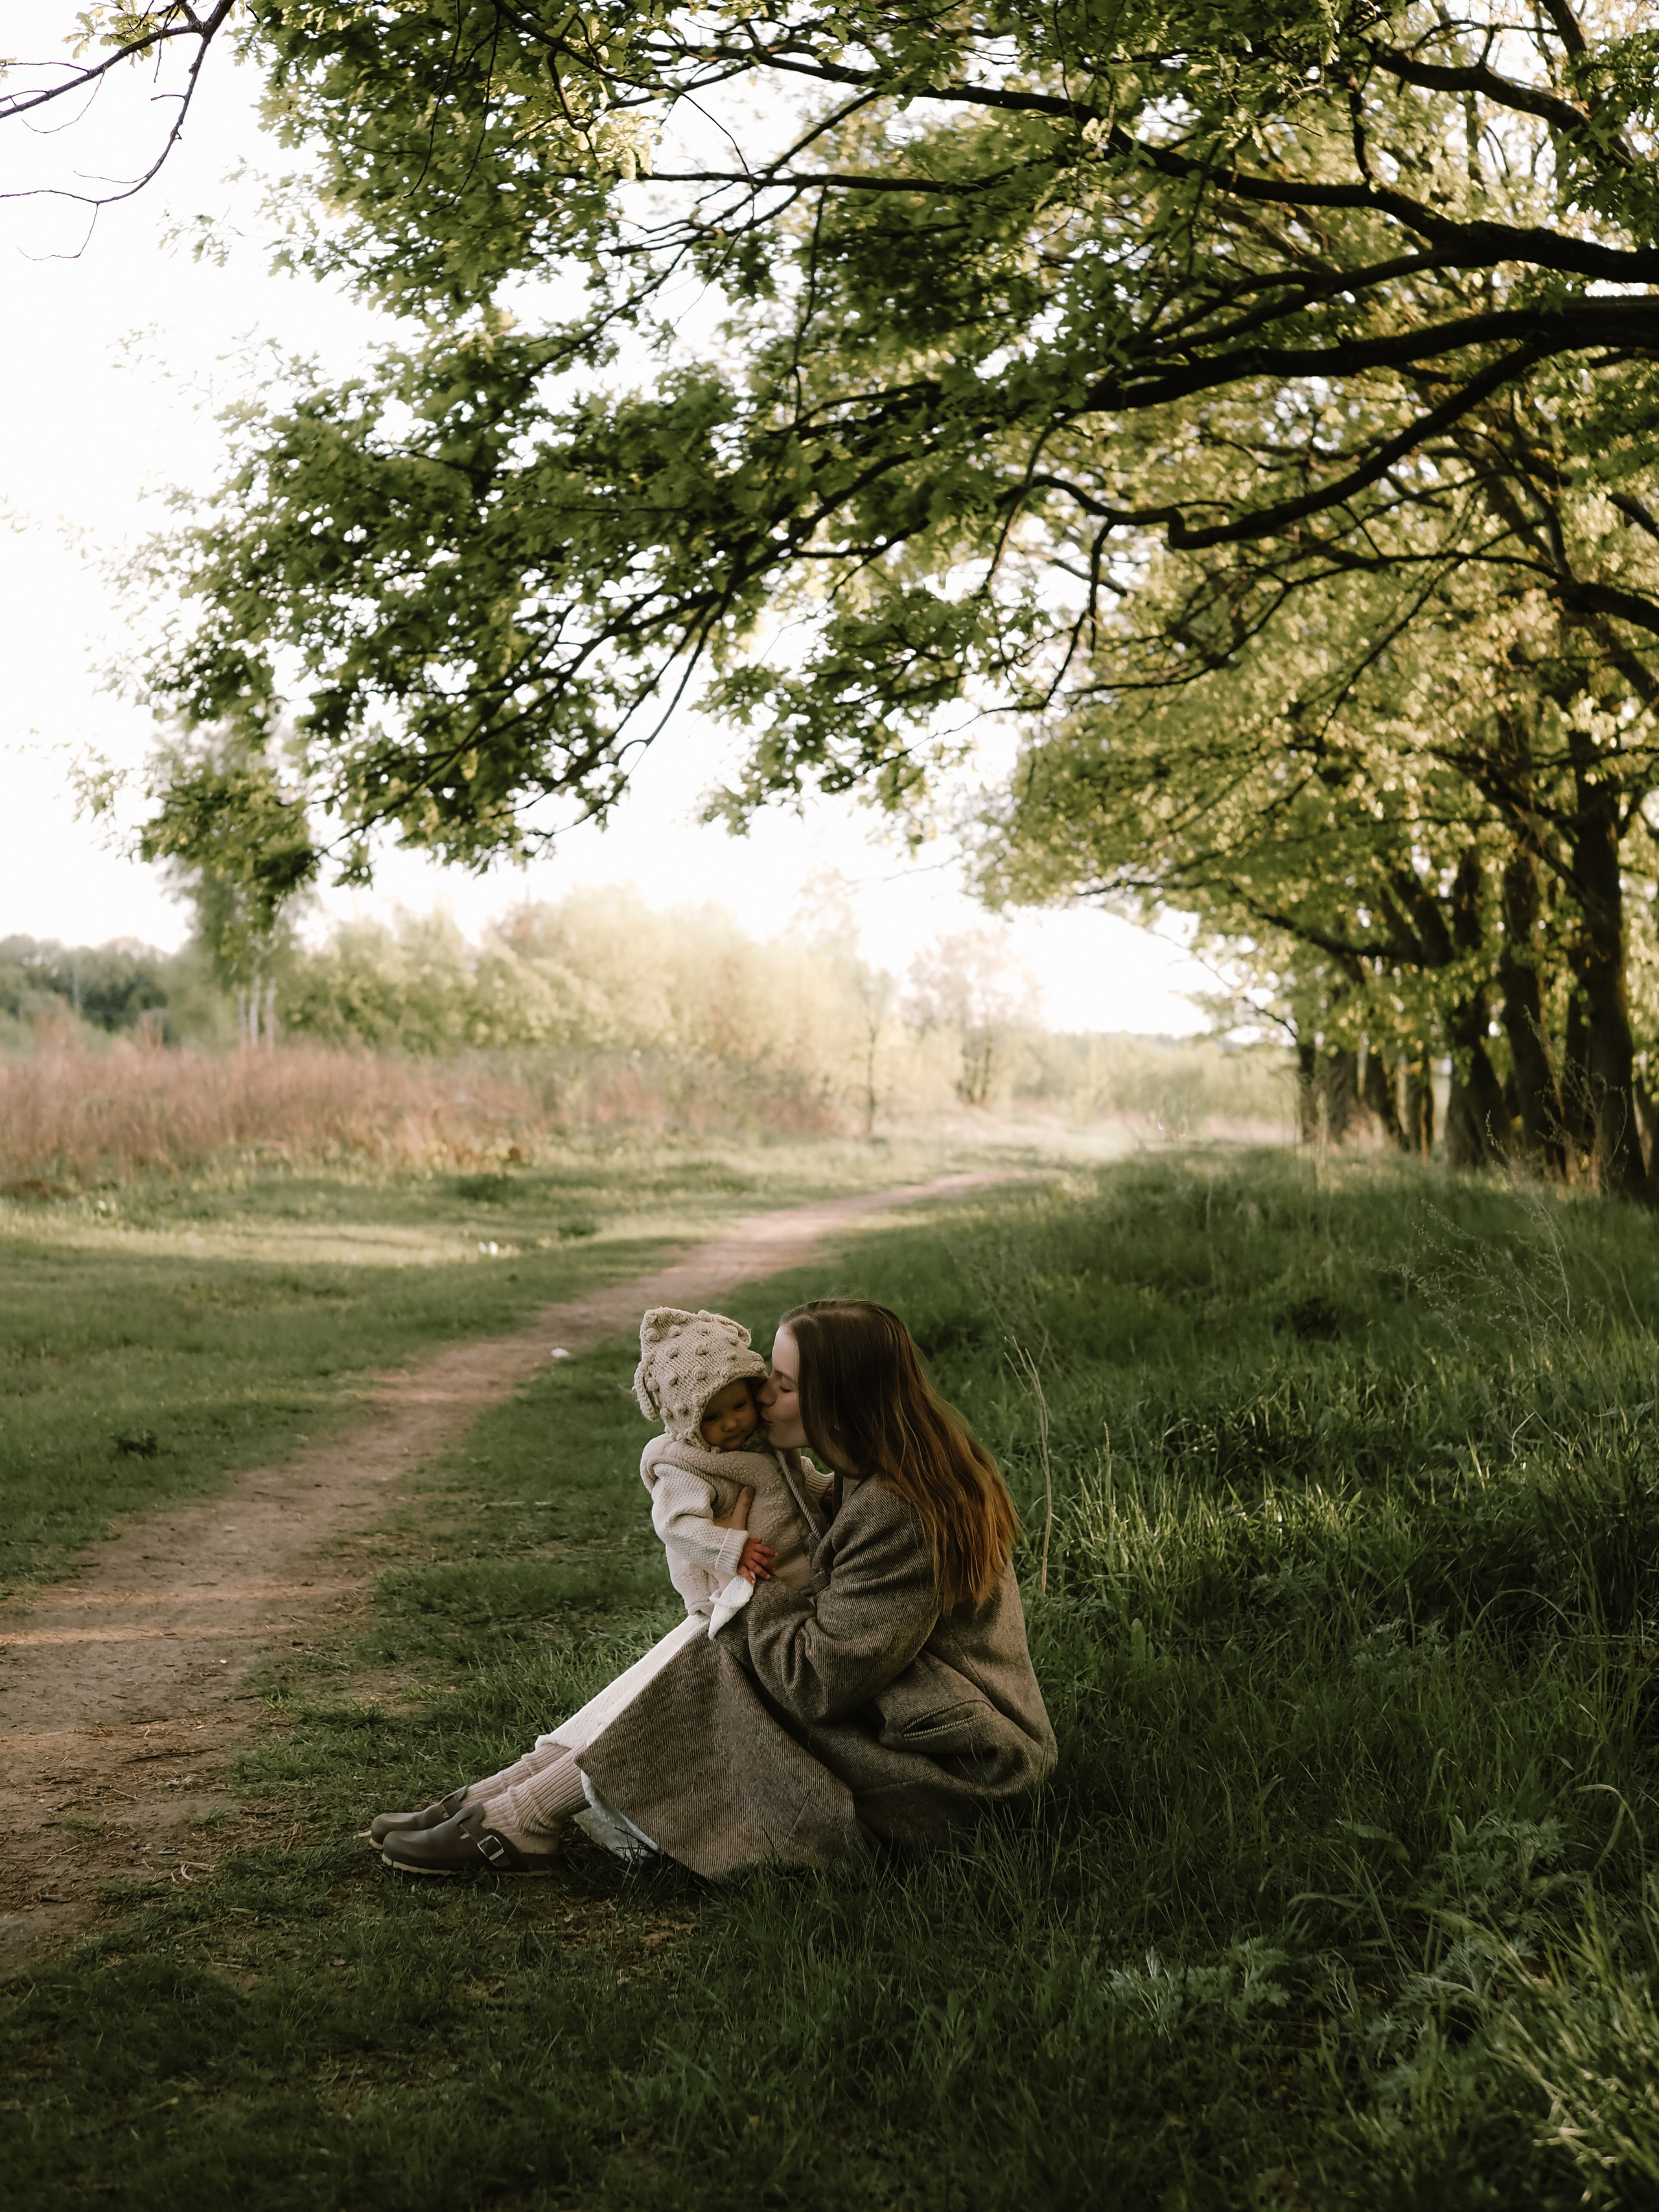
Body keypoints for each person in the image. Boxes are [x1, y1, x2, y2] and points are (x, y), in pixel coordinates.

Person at [373, 1300, 1054, 1876]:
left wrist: (738, 1582)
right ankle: (507, 1794)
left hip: (962, 1769)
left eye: (781, 1385)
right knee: (715, 1627)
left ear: (839, 1398)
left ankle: (523, 1814)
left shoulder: (898, 1509)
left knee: (720, 1645)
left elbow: (819, 1679)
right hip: (906, 1707)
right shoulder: (863, 1468)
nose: (760, 1397)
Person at [632, 1306, 833, 1633]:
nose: (730, 1423)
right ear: (687, 1421)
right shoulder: (685, 1467)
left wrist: (819, 1486)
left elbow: (786, 1473)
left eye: (740, 1406)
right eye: (710, 1418)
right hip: (727, 1588)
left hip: (791, 1568)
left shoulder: (759, 1437)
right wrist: (727, 1548)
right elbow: (674, 1524)